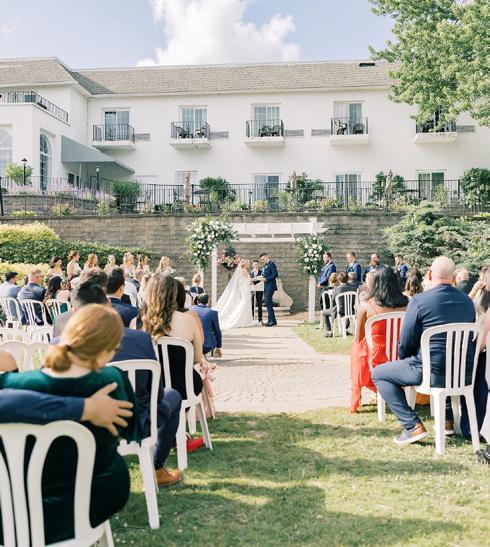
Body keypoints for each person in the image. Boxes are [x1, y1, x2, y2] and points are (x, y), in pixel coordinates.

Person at [0, 305, 139, 544]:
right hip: (83, 509)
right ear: (105, 350)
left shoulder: (14, 384)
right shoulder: (113, 382)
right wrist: (83, 408)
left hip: (11, 517)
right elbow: (129, 431)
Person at [372, 257, 476, 445]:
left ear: (429, 275)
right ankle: (446, 421)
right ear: (454, 278)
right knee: (443, 359)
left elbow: (406, 342)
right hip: (463, 372)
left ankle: (412, 426)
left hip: (429, 371)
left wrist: (406, 360)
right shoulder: (467, 302)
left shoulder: (419, 301)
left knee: (379, 373)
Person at [350, 267, 409, 412]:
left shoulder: (366, 306)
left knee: (357, 348)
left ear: (376, 283)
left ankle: (367, 392)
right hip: (403, 355)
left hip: (378, 359)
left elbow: (358, 338)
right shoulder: (408, 303)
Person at [142, 273, 204, 400]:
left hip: (149, 388)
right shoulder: (188, 320)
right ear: (174, 294)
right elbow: (197, 358)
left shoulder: (137, 322)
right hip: (184, 386)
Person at [215, 259, 256, 330]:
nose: (249, 264)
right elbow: (248, 281)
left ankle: (245, 320)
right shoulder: (244, 270)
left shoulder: (241, 270)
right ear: (245, 264)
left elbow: (243, 280)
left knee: (244, 303)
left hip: (244, 288)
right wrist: (256, 279)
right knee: (245, 303)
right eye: (248, 263)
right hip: (245, 289)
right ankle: (241, 319)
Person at [323, 272, 355, 337]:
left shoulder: (336, 289)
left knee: (324, 313)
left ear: (339, 280)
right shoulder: (353, 288)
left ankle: (329, 332)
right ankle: (345, 329)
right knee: (344, 310)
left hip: (340, 311)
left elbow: (333, 302)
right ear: (348, 279)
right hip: (352, 311)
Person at [259, 253, 278, 327]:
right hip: (266, 286)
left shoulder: (271, 264)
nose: (262, 261)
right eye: (261, 260)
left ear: (267, 257)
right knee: (267, 303)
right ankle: (271, 320)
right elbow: (265, 274)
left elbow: (275, 274)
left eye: (263, 259)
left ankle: (272, 321)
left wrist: (266, 279)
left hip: (270, 286)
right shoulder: (265, 265)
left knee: (268, 302)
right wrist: (260, 277)